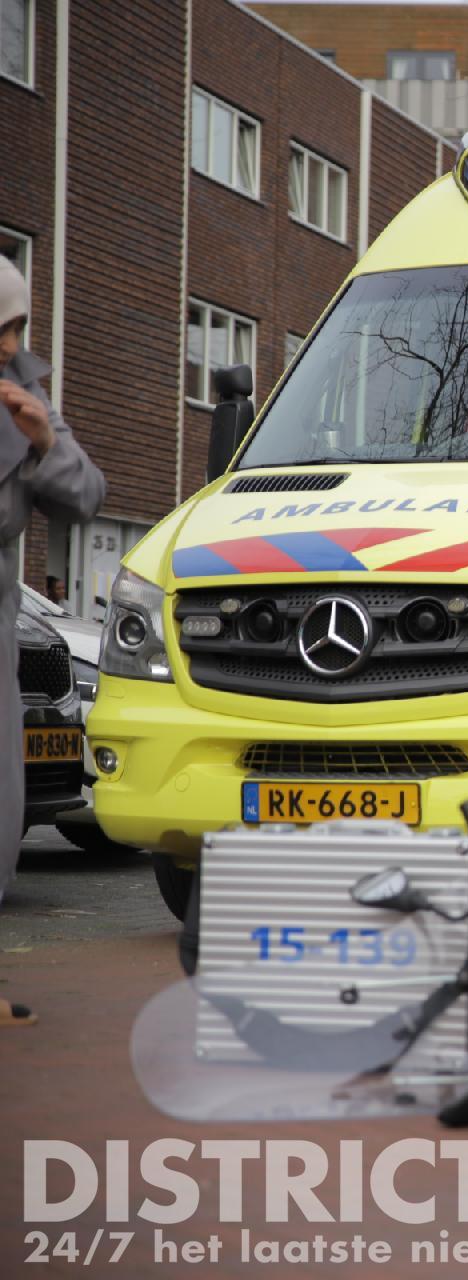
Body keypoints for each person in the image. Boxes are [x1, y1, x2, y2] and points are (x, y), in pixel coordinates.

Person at [0, 256, 107, 1027]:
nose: (12, 343)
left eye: (17, 328)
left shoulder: (24, 399)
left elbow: (85, 497)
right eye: (3, 327)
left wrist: (42, 442)